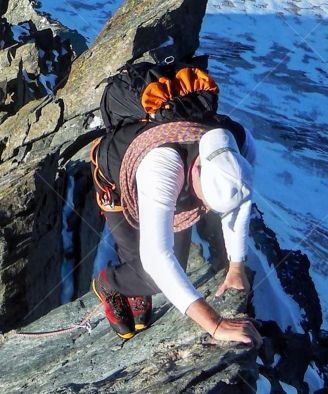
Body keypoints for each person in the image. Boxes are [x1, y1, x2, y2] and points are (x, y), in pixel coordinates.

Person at [92, 126, 263, 348]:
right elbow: (157, 258)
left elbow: (237, 204)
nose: (207, 209)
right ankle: (108, 283)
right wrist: (215, 324)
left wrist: (236, 267)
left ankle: (134, 285)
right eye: (207, 201)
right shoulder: (162, 168)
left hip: (177, 187)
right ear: (197, 171)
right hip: (116, 180)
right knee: (152, 275)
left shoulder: (238, 146)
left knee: (174, 267)